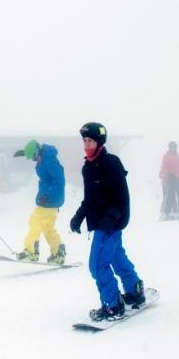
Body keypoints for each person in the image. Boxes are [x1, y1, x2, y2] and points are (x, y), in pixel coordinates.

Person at [70, 122, 145, 322]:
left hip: (111, 223)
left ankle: (112, 305)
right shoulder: (88, 168)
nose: (87, 144)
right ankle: (134, 289)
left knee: (97, 265)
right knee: (116, 257)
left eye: (90, 140)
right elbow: (90, 199)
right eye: (84, 141)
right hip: (100, 222)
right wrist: (79, 216)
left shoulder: (110, 163)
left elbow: (121, 198)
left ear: (99, 141)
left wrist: (110, 218)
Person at [13, 140, 66, 264]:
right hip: (50, 199)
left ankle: (30, 251)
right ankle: (58, 253)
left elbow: (59, 180)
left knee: (35, 221)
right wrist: (24, 153)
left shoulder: (49, 161)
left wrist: (48, 195)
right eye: (33, 159)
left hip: (50, 199)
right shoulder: (44, 157)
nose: (35, 160)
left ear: (39, 152)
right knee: (48, 228)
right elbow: (35, 152)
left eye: (35, 157)